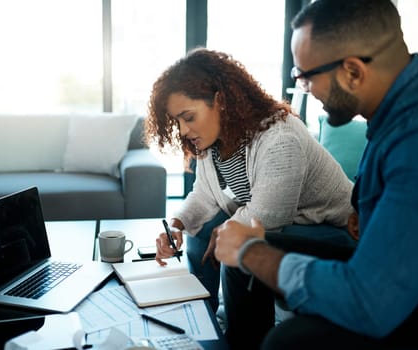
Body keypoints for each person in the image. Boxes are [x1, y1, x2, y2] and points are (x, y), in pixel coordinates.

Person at [214, 0, 418, 349]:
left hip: (399, 302)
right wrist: (368, 211)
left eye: (305, 76)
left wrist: (252, 250)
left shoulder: (415, 140)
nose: (303, 89)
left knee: (287, 341)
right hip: (384, 267)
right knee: (240, 264)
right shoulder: (392, 110)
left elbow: (370, 302)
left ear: (353, 72)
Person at [144, 48, 356, 349]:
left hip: (333, 233)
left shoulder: (279, 137)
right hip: (285, 221)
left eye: (188, 117)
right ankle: (202, 313)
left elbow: (269, 216)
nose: (182, 130)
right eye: (176, 121)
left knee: (239, 241)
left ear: (220, 101)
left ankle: (245, 339)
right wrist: (177, 224)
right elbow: (205, 194)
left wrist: (227, 234)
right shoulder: (211, 143)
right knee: (202, 229)